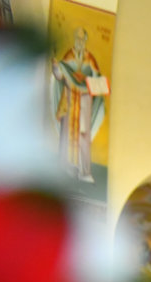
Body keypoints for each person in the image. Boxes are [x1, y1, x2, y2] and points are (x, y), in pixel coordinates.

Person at [51, 28, 107, 184]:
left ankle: (84, 172)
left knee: (83, 135)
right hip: (70, 98)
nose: (79, 42)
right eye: (77, 38)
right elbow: (60, 75)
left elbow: (97, 79)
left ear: (85, 40)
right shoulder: (69, 55)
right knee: (66, 133)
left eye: (82, 39)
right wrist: (55, 67)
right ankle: (65, 167)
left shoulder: (90, 59)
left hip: (84, 101)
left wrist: (85, 80)